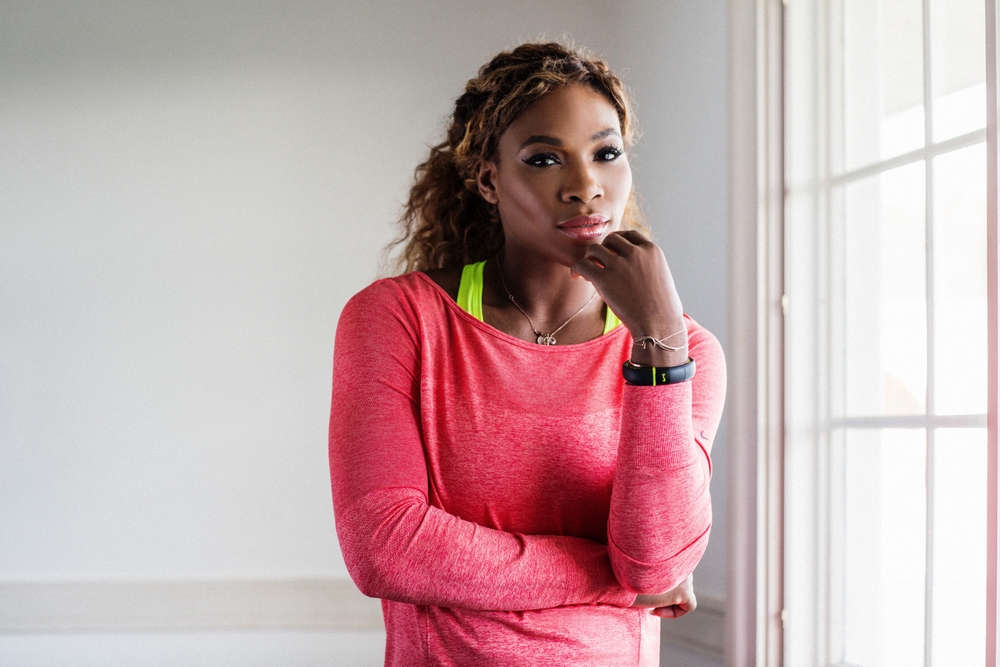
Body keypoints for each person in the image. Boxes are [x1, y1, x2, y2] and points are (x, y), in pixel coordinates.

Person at [329, 42, 726, 666]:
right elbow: (386, 547)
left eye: (607, 153)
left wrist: (658, 341)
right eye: (545, 159)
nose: (585, 186)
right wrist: (612, 578)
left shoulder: (685, 350)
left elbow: (656, 556)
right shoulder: (398, 318)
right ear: (490, 179)